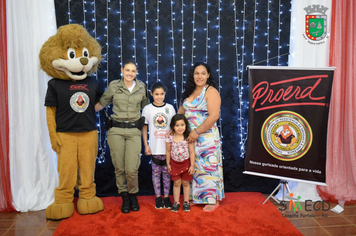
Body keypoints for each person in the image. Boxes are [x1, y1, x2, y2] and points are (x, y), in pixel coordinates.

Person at [95, 59, 149, 214]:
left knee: (131, 169)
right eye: (127, 70)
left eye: (133, 71)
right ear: (122, 70)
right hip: (116, 131)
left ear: (136, 72)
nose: (130, 74)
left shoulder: (141, 87)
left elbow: (147, 110)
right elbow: (101, 104)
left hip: (133, 131)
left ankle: (133, 195)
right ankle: (124, 197)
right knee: (119, 168)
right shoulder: (114, 86)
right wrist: (83, 112)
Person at [178, 62, 224, 212]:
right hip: (189, 138)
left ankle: (211, 199)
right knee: (193, 166)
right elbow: (180, 113)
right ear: (193, 75)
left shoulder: (211, 91)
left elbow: (214, 116)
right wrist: (176, 130)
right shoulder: (188, 91)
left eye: (203, 73)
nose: (199, 76)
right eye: (197, 73)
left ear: (208, 75)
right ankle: (196, 197)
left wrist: (196, 132)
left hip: (206, 137)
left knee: (207, 166)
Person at [142, 82, 176, 209]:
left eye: (161, 94)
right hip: (155, 148)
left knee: (167, 173)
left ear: (165, 94)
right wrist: (146, 145)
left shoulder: (170, 108)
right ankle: (158, 197)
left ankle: (166, 197)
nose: (159, 96)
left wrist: (173, 145)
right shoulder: (147, 109)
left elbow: (174, 127)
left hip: (167, 148)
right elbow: (144, 128)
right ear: (151, 94)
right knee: (156, 174)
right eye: (156, 94)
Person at [166, 114, 195, 212]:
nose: (180, 128)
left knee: (186, 183)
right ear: (173, 126)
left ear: (186, 125)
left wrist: (192, 165)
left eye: (182, 125)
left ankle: (186, 202)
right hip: (174, 164)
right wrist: (168, 163)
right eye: (177, 125)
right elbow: (168, 151)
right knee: (177, 183)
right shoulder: (170, 137)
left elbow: (191, 152)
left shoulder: (188, 137)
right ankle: (176, 202)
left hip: (186, 164)